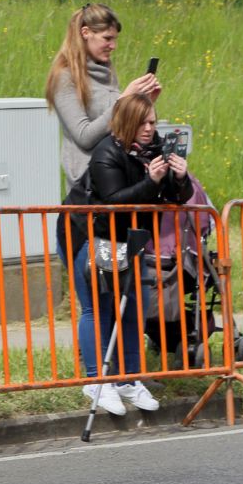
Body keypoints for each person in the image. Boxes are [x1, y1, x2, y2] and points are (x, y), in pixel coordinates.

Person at [77, 94, 192, 415]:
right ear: (127, 122)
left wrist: (179, 178)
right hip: (95, 236)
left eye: (153, 122)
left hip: (132, 241)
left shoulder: (155, 149)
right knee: (99, 308)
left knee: (133, 308)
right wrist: (151, 180)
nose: (150, 128)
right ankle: (97, 381)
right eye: (143, 122)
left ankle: (128, 379)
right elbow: (116, 202)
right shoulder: (106, 153)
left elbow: (174, 197)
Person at [45, 3, 161, 190]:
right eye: (107, 38)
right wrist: (123, 101)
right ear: (85, 33)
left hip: (120, 173)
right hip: (89, 185)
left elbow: (118, 129)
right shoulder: (64, 77)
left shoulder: (106, 71)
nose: (113, 46)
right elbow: (84, 137)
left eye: (115, 39)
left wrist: (143, 105)